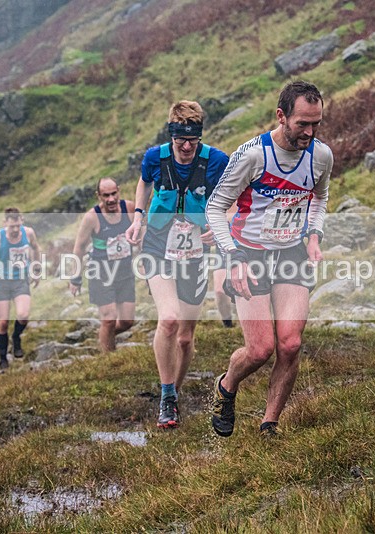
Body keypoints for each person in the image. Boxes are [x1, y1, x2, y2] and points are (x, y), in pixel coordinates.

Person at [205, 81, 333, 438]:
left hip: (291, 252)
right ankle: (227, 386)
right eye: (302, 124)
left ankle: (269, 424)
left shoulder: (321, 155)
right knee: (260, 350)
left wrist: (313, 236)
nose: (310, 132)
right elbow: (215, 208)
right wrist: (232, 257)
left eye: (316, 124)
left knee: (290, 343)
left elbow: (320, 199)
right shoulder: (252, 155)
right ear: (281, 116)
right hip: (249, 253)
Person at [125, 100, 230, 429]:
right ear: (170, 134)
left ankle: (174, 389)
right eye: (180, 139)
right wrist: (138, 218)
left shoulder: (216, 161)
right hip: (157, 246)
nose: (186, 147)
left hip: (195, 254)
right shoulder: (155, 157)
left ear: (200, 137)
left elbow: (231, 198)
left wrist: (221, 224)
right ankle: (167, 397)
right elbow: (144, 182)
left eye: (192, 140)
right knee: (168, 320)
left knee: (185, 337)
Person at [69, 177, 136, 352]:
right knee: (108, 319)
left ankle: (105, 338)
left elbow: (142, 234)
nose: (111, 199)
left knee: (127, 321)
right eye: (106, 195)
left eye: (114, 193)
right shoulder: (92, 218)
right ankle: (108, 359)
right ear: (98, 196)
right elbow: (79, 248)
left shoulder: (129, 208)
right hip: (101, 274)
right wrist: (75, 278)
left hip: (125, 272)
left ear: (119, 191)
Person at [0, 207, 42, 371]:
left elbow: (36, 248)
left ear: (22, 221)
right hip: (0, 282)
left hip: (20, 280)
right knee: (3, 322)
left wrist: (36, 269)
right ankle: (2, 359)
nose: (15, 229)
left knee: (23, 315)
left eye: (17, 225)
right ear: (5, 223)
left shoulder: (28, 233)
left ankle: (16, 338)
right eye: (11, 226)